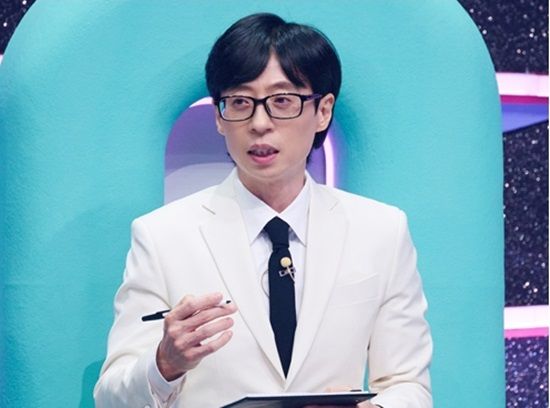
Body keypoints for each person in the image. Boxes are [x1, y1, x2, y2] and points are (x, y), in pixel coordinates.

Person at [94, 12, 432, 408]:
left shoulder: (382, 230)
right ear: (219, 117)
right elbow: (111, 398)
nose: (259, 123)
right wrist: (164, 363)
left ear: (323, 111)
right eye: (240, 102)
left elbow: (409, 385)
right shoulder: (162, 235)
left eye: (282, 101)